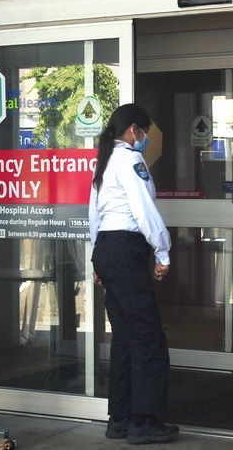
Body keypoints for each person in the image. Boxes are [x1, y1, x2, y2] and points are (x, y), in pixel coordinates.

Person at [89, 104, 179, 445]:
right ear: (133, 131)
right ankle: (145, 423)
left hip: (109, 251)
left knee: (125, 338)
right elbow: (144, 210)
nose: (146, 140)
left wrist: (98, 260)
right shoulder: (130, 160)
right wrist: (163, 251)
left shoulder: (104, 160)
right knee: (148, 340)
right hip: (127, 250)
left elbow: (93, 213)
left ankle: (121, 419)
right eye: (145, 134)